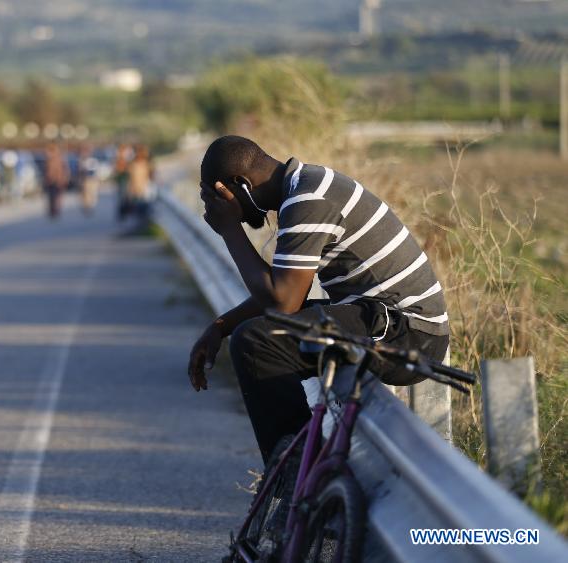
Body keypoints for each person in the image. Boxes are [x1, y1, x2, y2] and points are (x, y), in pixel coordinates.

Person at [187, 135, 449, 464]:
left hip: (409, 334)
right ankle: (304, 471)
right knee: (252, 335)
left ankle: (294, 472)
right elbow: (284, 291)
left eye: (219, 200)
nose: (224, 213)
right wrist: (220, 326)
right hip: (382, 321)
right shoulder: (303, 188)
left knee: (257, 342)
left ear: (240, 184)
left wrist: (230, 231)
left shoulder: (308, 197)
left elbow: (282, 303)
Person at [126, 144, 154, 222]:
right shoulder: (134, 164)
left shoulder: (147, 163)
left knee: (144, 206)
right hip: (137, 189)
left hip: (145, 189)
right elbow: (131, 178)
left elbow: (151, 176)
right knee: (138, 207)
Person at [43, 143, 68, 220]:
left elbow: (64, 170)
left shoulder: (59, 159)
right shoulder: (48, 160)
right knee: (51, 197)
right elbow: (46, 171)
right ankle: (52, 211)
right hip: (50, 181)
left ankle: (56, 210)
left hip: (57, 181)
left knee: (57, 197)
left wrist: (63, 179)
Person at [113, 143, 131, 220]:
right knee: (122, 198)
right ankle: (122, 213)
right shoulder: (119, 159)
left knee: (125, 197)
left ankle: (125, 213)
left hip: (125, 180)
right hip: (121, 180)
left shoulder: (127, 159)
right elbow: (117, 170)